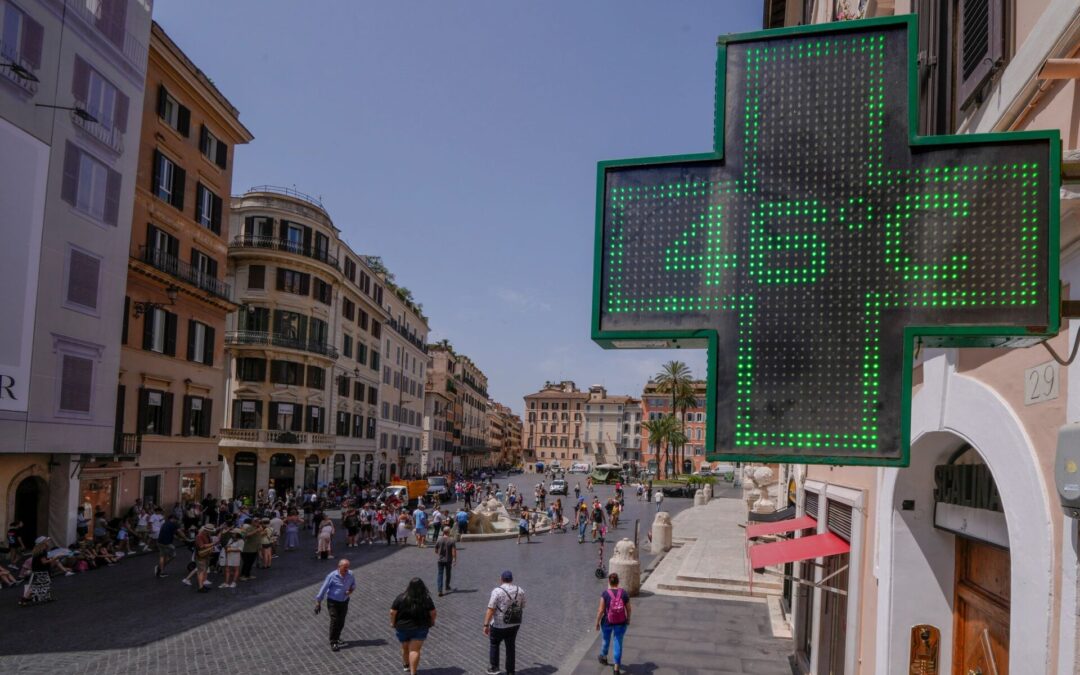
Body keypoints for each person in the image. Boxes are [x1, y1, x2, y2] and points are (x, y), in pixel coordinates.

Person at [390, 577, 437, 675]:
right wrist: (432, 622)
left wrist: (392, 623)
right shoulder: (426, 598)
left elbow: (392, 612)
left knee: (405, 647)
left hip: (402, 627)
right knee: (415, 650)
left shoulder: (401, 597)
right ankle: (413, 672)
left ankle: (406, 665)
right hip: (420, 627)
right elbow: (433, 612)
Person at [484, 569, 525, 675]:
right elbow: (523, 605)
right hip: (514, 624)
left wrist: (486, 624)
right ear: (512, 579)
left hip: (498, 624)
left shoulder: (497, 591)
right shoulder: (520, 590)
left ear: (501, 579)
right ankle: (510, 672)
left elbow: (491, 609)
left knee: (494, 643)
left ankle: (494, 667)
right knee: (510, 647)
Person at [314, 558, 356, 651]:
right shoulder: (332, 576)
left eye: (348, 567)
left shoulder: (351, 574)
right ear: (339, 567)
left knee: (341, 621)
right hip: (333, 602)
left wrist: (350, 591)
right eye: (345, 567)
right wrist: (318, 602)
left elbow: (353, 585)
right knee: (335, 620)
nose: (346, 570)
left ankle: (337, 637)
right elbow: (323, 589)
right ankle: (333, 642)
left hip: (344, 601)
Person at [595, 572, 632, 673]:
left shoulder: (605, 594)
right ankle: (616, 668)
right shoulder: (623, 593)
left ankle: (604, 657)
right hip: (621, 622)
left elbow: (601, 610)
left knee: (606, 640)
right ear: (618, 582)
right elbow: (629, 609)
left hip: (607, 621)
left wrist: (597, 622)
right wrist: (628, 619)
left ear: (609, 582)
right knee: (618, 643)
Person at [19, 537, 54, 606]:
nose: (49, 542)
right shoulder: (43, 551)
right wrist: (55, 558)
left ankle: (46, 597)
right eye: (47, 541)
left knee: (45, 584)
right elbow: (44, 562)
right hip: (41, 571)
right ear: (43, 543)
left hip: (38, 570)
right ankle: (23, 599)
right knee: (36, 586)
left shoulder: (38, 550)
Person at [154, 514, 179, 578]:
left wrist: (177, 538)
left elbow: (170, 533)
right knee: (173, 555)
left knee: (162, 556)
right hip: (166, 543)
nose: (176, 521)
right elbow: (179, 532)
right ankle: (160, 567)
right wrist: (186, 538)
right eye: (176, 519)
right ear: (172, 518)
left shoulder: (165, 523)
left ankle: (161, 571)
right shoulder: (173, 524)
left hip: (159, 542)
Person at [193, 524, 216, 592]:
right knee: (201, 571)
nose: (211, 532)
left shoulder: (207, 535)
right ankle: (200, 587)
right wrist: (213, 544)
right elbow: (201, 546)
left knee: (203, 570)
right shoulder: (199, 536)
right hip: (200, 556)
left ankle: (202, 585)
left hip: (205, 555)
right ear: (207, 530)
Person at [434, 526, 456, 596]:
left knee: (440, 574)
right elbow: (453, 551)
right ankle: (447, 586)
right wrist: (454, 559)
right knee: (448, 573)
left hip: (440, 560)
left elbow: (436, 550)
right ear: (449, 532)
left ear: (443, 532)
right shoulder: (451, 540)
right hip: (448, 560)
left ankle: (440, 590)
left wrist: (440, 554)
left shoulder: (439, 540)